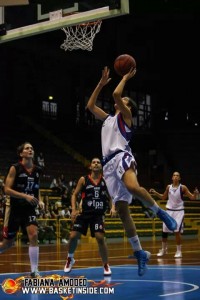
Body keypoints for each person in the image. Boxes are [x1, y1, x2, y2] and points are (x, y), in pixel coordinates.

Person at [86, 66, 177, 276]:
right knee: (122, 211)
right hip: (108, 165)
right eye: (122, 100)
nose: (120, 100)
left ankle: (160, 212)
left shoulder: (126, 117)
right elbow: (90, 105)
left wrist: (125, 77)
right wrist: (100, 83)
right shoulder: (108, 119)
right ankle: (139, 252)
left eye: (124, 100)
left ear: (128, 107)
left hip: (121, 156)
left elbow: (116, 94)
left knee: (132, 186)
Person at [63, 157, 116, 276]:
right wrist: (74, 209)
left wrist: (112, 208)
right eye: (94, 162)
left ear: (101, 166)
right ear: (90, 166)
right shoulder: (84, 179)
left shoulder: (105, 180)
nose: (96, 164)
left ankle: (106, 265)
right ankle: (70, 259)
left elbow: (112, 196)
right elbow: (74, 194)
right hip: (84, 213)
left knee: (100, 238)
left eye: (98, 162)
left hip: (98, 215)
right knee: (73, 236)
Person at [0, 142, 44, 277]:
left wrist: (40, 200)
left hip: (28, 208)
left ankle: (34, 270)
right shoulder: (15, 168)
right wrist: (25, 196)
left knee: (34, 235)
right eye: (27, 148)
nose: (30, 150)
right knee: (7, 243)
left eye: (32, 148)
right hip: (13, 207)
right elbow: (6, 190)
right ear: (21, 153)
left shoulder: (37, 170)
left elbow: (37, 189)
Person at [149, 171, 196, 258]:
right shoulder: (168, 187)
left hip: (179, 211)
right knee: (164, 231)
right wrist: (155, 192)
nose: (175, 177)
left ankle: (179, 251)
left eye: (177, 175)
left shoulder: (183, 188)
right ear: (172, 177)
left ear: (179, 178)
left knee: (176, 231)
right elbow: (163, 197)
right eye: (174, 175)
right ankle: (163, 250)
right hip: (169, 211)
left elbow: (192, 197)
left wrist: (196, 193)